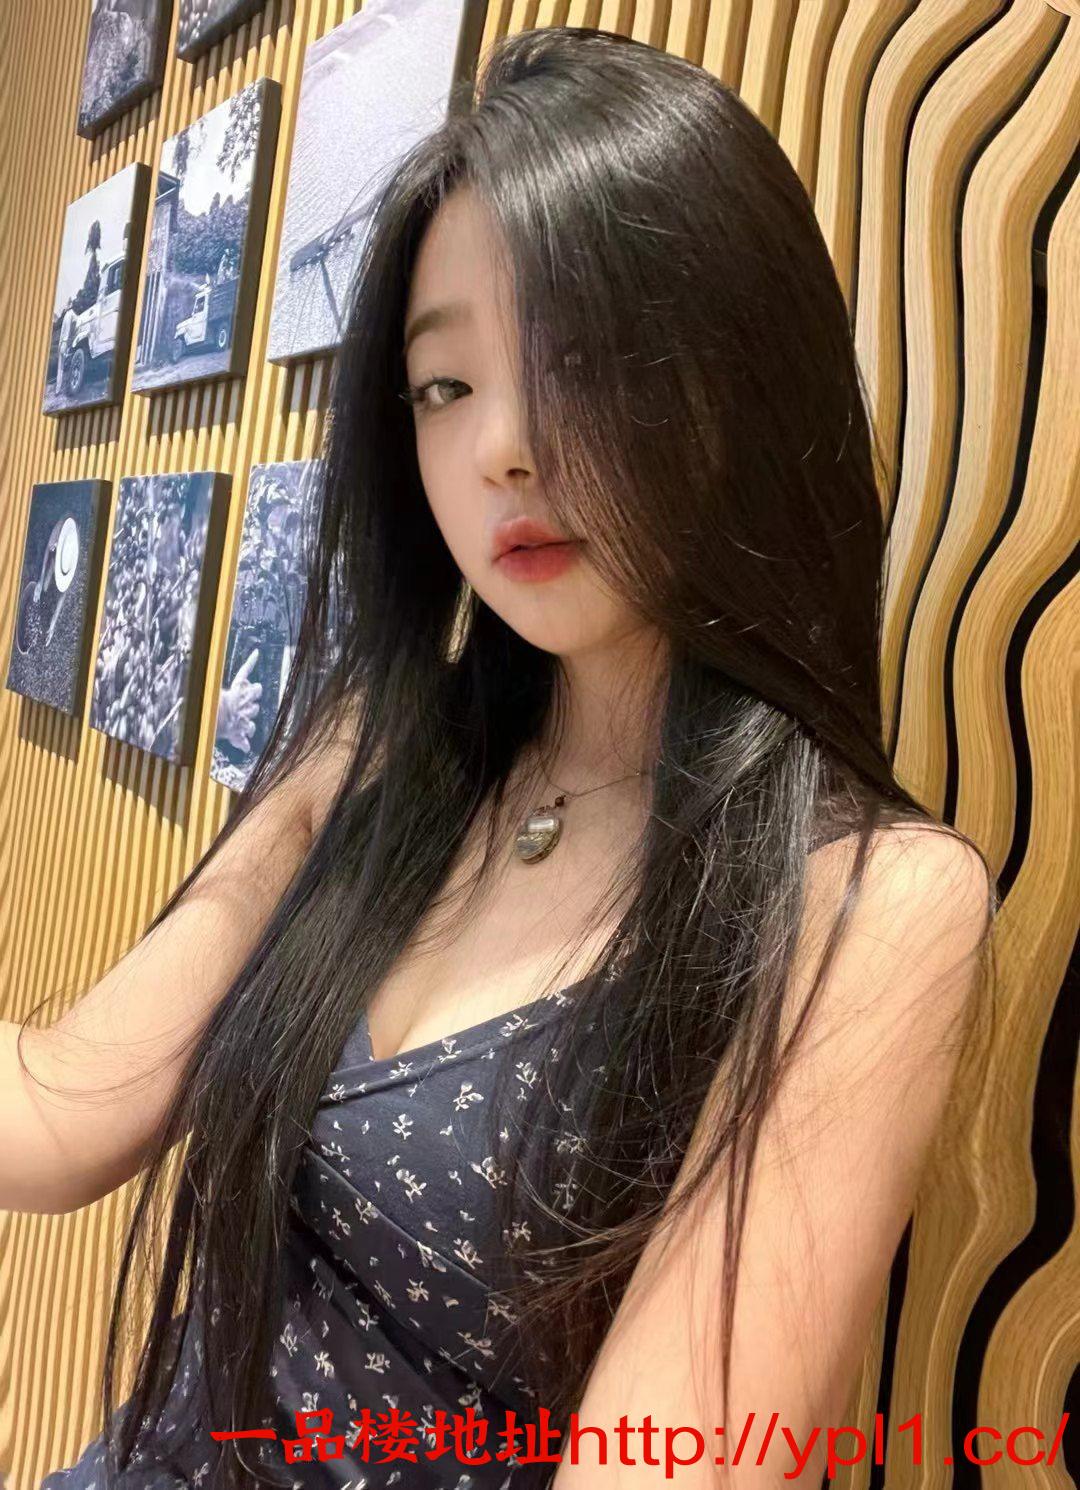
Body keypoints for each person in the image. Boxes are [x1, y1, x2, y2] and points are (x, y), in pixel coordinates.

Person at [8, 25, 995, 1490]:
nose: (504, 450)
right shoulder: (380, 743)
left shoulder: (864, 904)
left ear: (747, 377)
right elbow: (59, 1112)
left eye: (582, 359)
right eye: (445, 387)